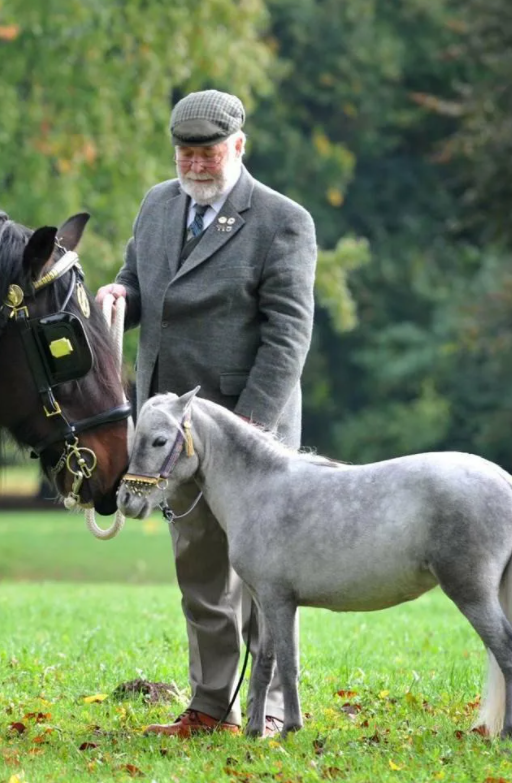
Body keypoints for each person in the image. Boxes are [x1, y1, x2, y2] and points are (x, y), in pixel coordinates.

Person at [97, 89, 317, 738]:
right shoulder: (156, 205)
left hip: (251, 434)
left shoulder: (282, 221)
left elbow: (287, 336)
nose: (194, 164)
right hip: (169, 436)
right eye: (184, 152)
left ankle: (271, 705)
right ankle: (210, 704)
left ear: (238, 147)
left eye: (207, 152)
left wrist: (251, 426)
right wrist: (117, 298)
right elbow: (140, 290)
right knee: (196, 567)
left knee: (261, 578)